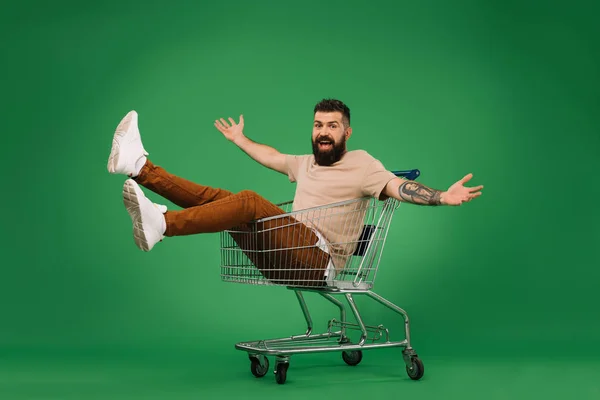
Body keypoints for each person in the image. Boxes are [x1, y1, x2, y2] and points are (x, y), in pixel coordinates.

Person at [107, 99, 483, 285]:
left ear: (346, 133)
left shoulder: (365, 164)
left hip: (319, 263)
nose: (323, 131)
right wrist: (240, 140)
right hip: (282, 255)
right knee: (224, 199)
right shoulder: (306, 163)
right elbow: (270, 156)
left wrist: (441, 196)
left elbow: (397, 186)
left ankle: (165, 225)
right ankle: (140, 167)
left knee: (250, 201)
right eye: (319, 124)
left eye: (332, 126)